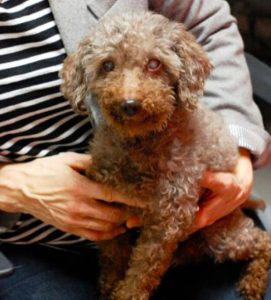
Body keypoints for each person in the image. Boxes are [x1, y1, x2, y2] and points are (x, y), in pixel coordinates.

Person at [0, 0, 270, 299]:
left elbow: (209, 24)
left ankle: (261, 253)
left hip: (201, 223)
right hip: (33, 243)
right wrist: (8, 186)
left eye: (153, 65)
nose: (129, 94)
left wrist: (238, 152)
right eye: (108, 66)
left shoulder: (181, 144)